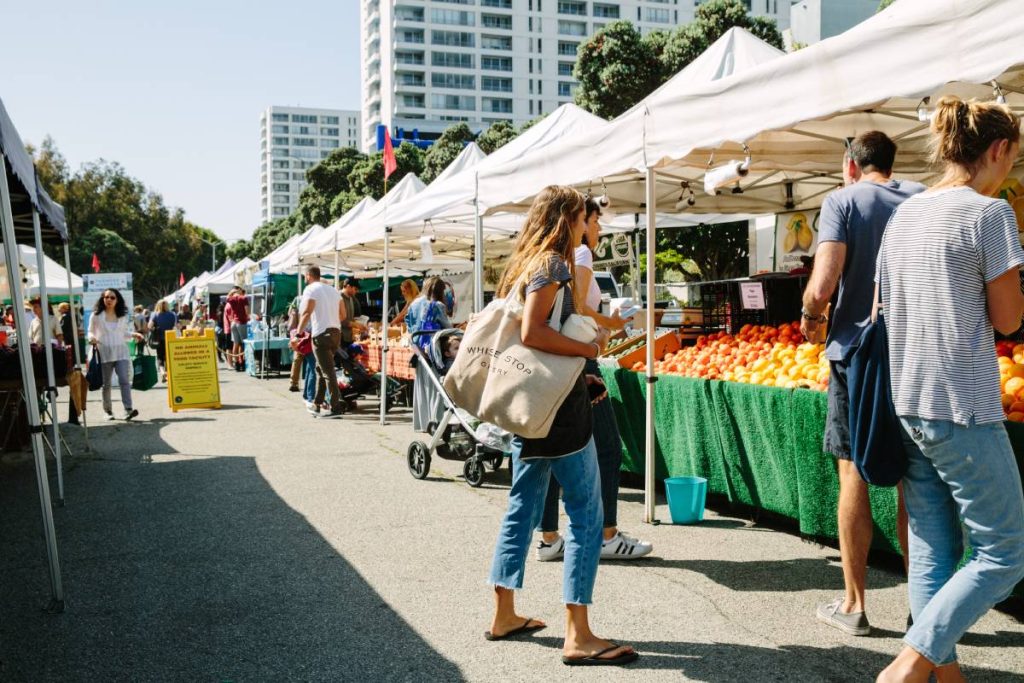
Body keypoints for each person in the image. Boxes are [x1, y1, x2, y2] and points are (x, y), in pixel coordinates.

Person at [875, 97, 1024, 683]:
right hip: (963, 402)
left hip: (908, 397)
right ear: (997, 150)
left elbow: (882, 305)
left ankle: (943, 671)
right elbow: (1009, 319)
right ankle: (910, 665)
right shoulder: (989, 215)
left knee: (934, 543)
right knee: (1005, 552)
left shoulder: (904, 214)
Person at [485, 185, 636, 667]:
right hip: (558, 414)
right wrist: (588, 351)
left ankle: (504, 614)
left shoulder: (525, 264)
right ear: (566, 219)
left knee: (521, 509)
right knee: (588, 515)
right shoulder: (553, 264)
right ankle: (579, 633)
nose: (583, 226)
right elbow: (534, 331)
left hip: (530, 408)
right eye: (579, 217)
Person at [801, 131, 921, 636]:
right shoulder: (921, 198)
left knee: (853, 473)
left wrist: (810, 314)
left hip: (858, 354)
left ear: (851, 165)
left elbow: (824, 283)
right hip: (917, 354)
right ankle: (925, 605)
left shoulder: (842, 201)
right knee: (915, 483)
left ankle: (855, 605)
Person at [537, 197, 651, 563]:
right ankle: (606, 535)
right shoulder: (578, 256)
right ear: (579, 222)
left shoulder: (547, 260)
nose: (598, 229)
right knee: (607, 446)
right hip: (580, 361)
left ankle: (550, 538)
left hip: (559, 361)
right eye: (595, 221)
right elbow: (579, 309)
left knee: (553, 450)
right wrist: (609, 328)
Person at [295, 265, 344, 419]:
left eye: (305, 276)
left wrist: (298, 334)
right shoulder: (334, 290)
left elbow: (306, 312)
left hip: (321, 333)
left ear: (309, 275)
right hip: (336, 333)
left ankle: (335, 408)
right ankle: (317, 403)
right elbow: (343, 315)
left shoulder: (310, 289)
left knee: (328, 372)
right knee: (322, 369)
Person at [88, 288, 143, 420]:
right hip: (104, 352)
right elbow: (90, 331)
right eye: (106, 297)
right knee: (106, 383)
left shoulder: (122, 315)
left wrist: (134, 334)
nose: (109, 300)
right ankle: (107, 411)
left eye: (112, 297)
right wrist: (91, 338)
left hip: (121, 352)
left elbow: (123, 333)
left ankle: (128, 409)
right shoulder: (96, 315)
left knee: (124, 380)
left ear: (117, 300)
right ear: (103, 299)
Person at [408, 276, 452, 432]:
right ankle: (436, 422)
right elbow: (447, 328)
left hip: (418, 350)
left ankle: (423, 422)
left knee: (422, 386)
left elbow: (410, 328)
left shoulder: (414, 304)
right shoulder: (438, 305)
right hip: (434, 350)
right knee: (437, 388)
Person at [149, 300, 178, 383]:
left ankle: (162, 373)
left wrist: (155, 328)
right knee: (168, 357)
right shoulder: (172, 314)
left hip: (159, 339)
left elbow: (149, 326)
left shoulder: (155, 314)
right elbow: (176, 326)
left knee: (160, 357)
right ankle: (168, 374)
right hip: (170, 338)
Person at [225, 287, 249, 372]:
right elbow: (246, 311)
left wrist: (231, 292)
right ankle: (242, 362)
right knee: (244, 343)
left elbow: (227, 297)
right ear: (241, 291)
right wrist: (248, 317)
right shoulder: (244, 298)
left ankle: (236, 364)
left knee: (235, 343)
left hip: (233, 323)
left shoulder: (231, 299)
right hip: (241, 322)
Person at [339, 278, 364, 346]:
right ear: (348, 286)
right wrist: (356, 325)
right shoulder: (338, 298)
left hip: (349, 337)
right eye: (355, 289)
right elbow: (340, 320)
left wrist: (358, 325)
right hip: (340, 337)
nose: (357, 291)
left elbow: (350, 317)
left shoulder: (351, 298)